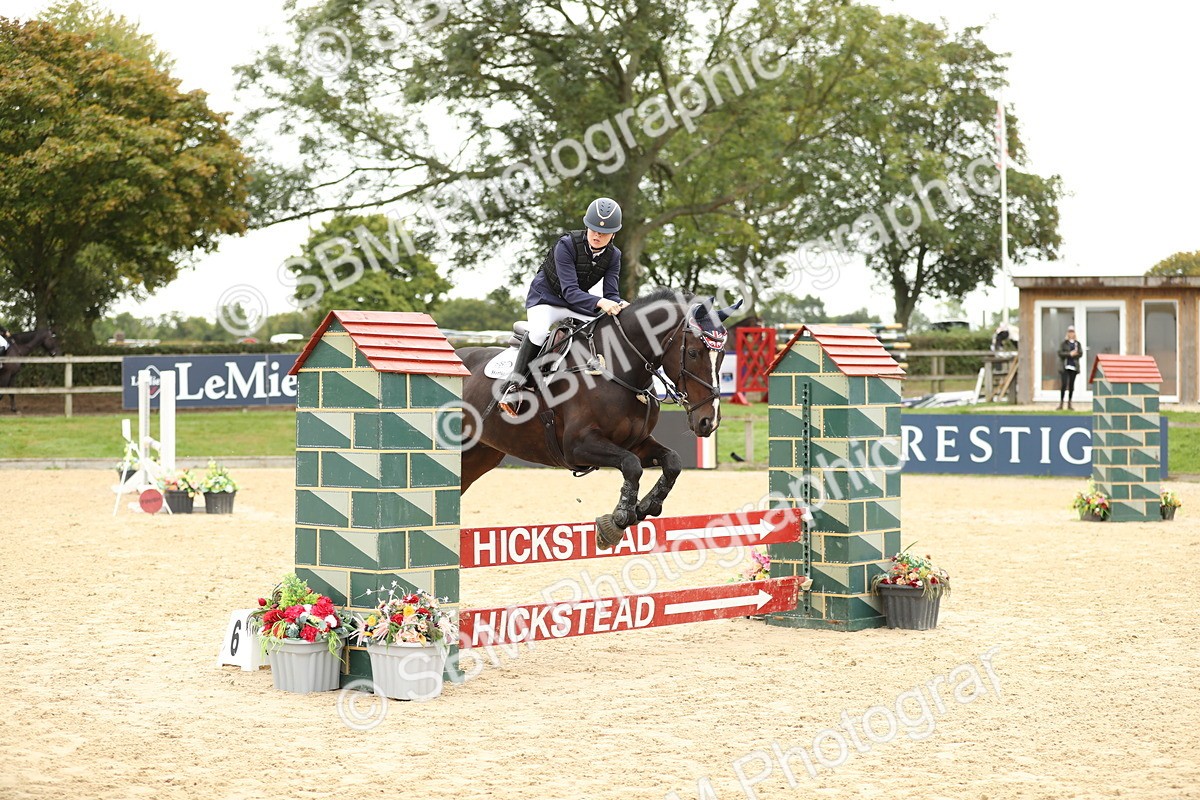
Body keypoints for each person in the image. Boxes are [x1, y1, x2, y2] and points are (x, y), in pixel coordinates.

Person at [497, 197, 629, 416]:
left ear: (613, 234)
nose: (597, 235)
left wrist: (618, 304)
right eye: (593, 230)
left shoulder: (614, 256)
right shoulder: (566, 245)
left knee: (609, 327)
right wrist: (601, 302)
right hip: (546, 299)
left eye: (603, 233)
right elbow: (570, 291)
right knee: (539, 332)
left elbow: (611, 294)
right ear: (587, 227)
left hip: (577, 303)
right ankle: (513, 386)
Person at [1057, 325, 1083, 410]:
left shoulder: (1077, 344)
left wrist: (1075, 354)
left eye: (1072, 332)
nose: (1071, 334)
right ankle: (1061, 403)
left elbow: (1080, 353)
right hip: (1065, 366)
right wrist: (1069, 354)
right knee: (1064, 385)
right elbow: (1060, 353)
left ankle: (1069, 403)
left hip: (1073, 367)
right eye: (1070, 332)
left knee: (1071, 385)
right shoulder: (1064, 343)